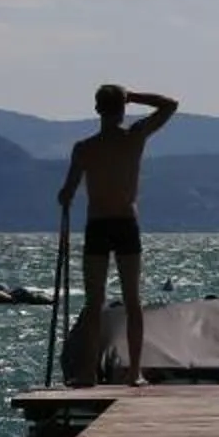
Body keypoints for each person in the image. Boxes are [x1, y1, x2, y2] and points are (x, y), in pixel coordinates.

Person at [60, 83, 179, 384]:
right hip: (123, 223)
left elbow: (67, 192)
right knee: (131, 300)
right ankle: (134, 372)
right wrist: (135, 96)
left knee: (94, 301)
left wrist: (65, 198)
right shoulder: (133, 137)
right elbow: (169, 105)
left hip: (101, 224)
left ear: (97, 109)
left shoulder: (85, 148)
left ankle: (89, 372)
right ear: (123, 109)